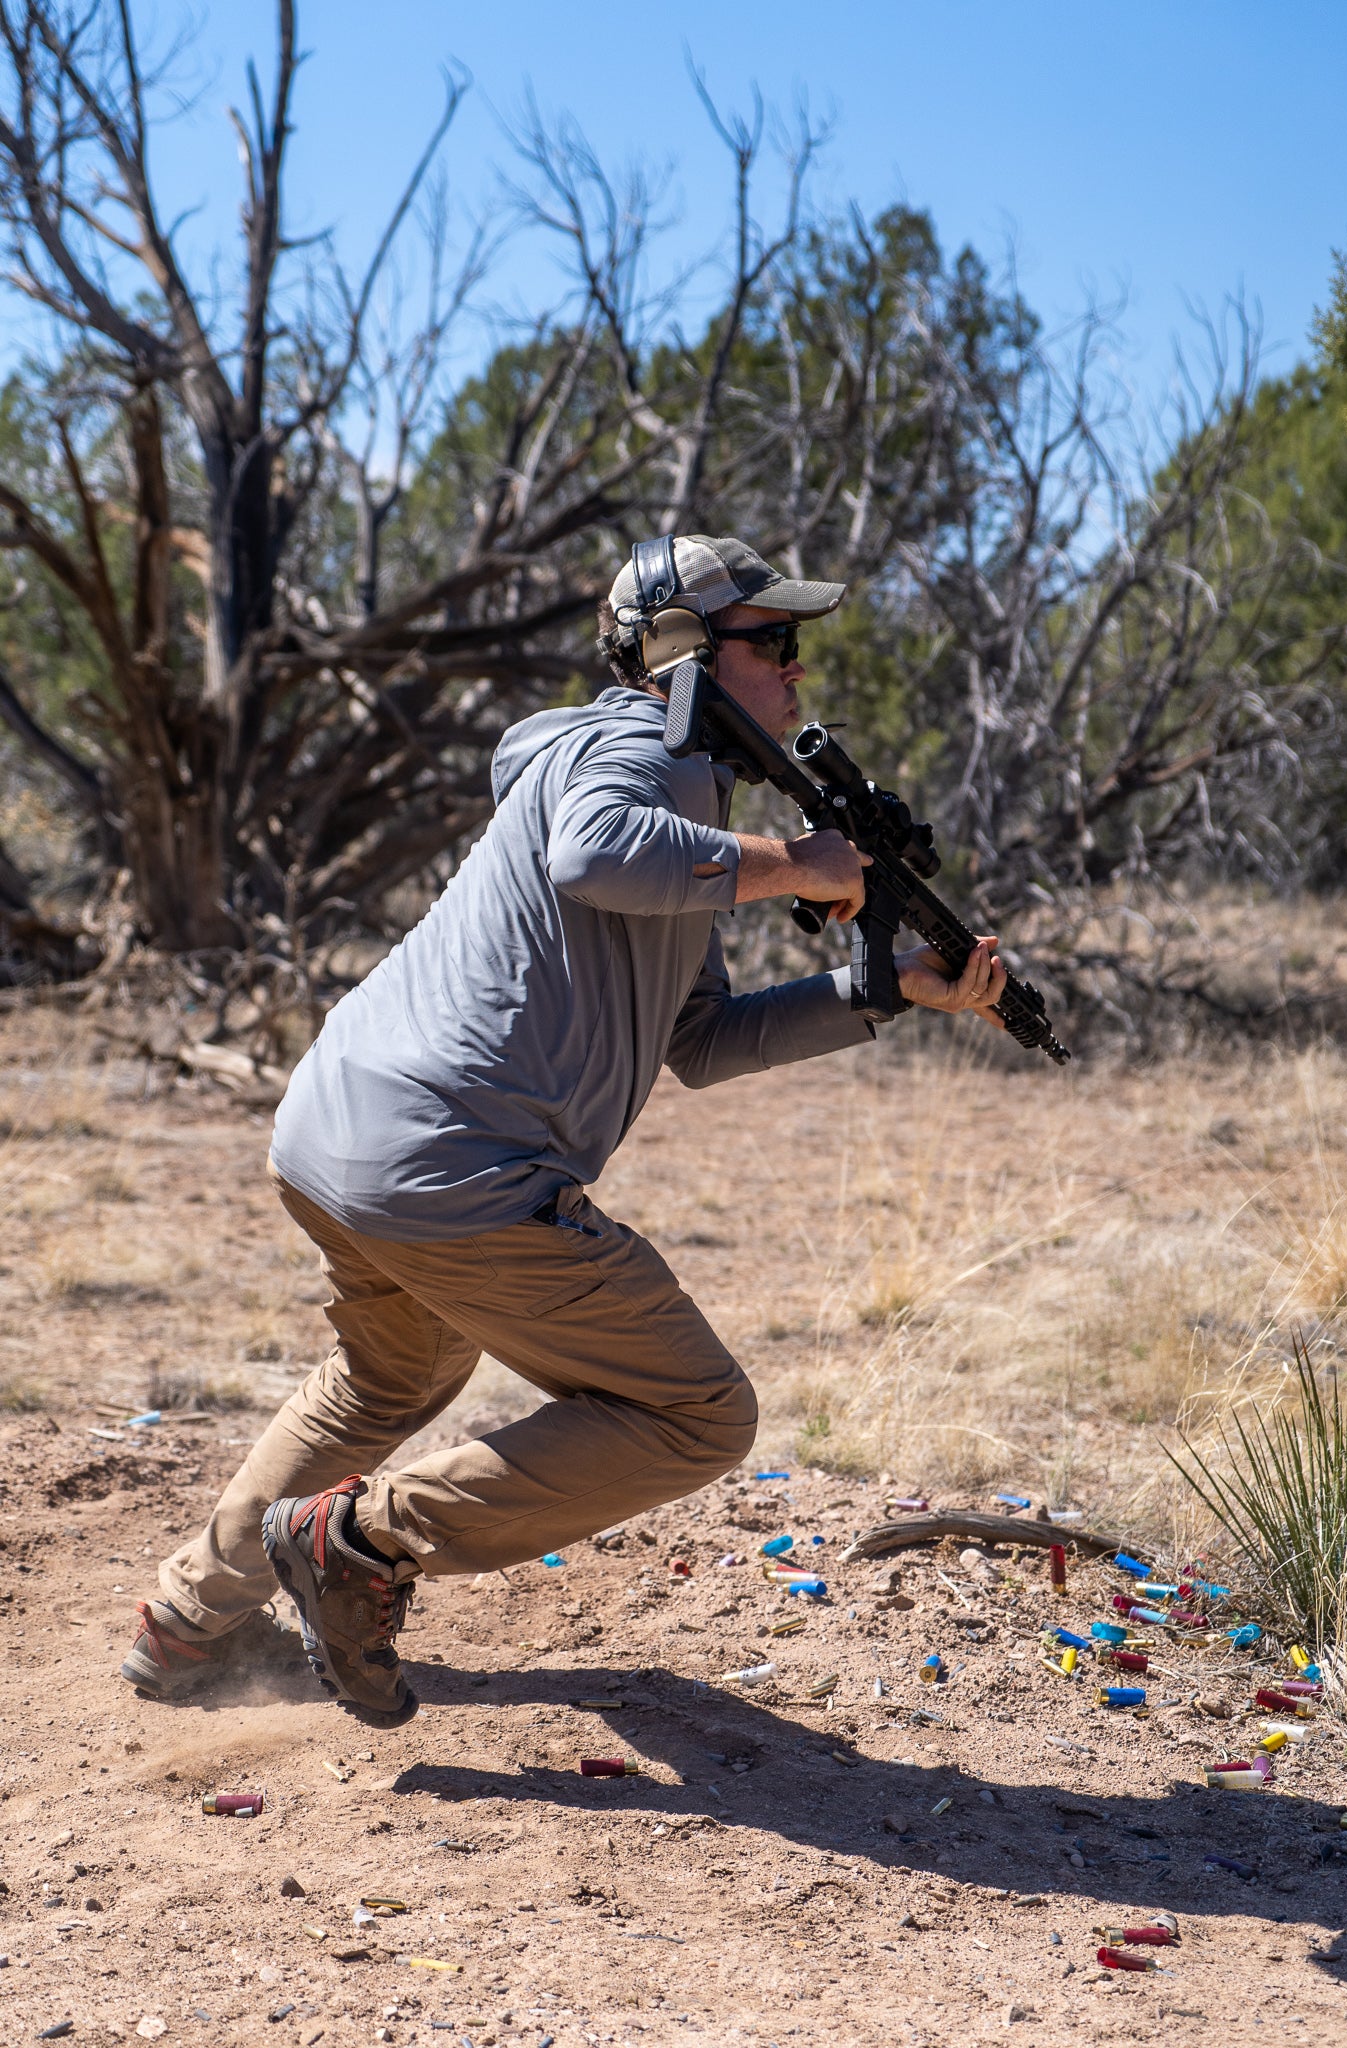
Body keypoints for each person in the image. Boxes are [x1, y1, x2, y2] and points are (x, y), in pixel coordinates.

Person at [120, 533, 1007, 1726]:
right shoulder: (638, 745)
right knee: (698, 1412)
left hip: (335, 1133)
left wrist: (888, 986)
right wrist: (790, 861)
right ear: (686, 649)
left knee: (397, 1370)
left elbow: (698, 1040)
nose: (797, 670)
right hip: (449, 1159)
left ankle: (187, 1624)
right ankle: (361, 1544)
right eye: (774, 642)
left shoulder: (674, 798)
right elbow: (595, 853)